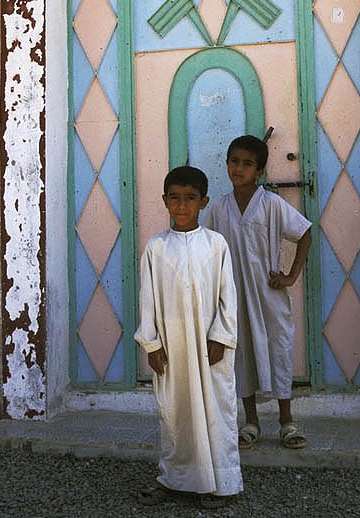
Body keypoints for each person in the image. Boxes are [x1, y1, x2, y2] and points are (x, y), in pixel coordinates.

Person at [134, 166, 243, 508]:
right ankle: (175, 479)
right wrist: (151, 344)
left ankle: (219, 483)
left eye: (190, 199)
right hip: (172, 348)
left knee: (215, 412)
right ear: (165, 201)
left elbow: (228, 296)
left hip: (209, 348)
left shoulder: (215, 245)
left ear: (204, 202)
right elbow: (147, 299)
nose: (182, 206)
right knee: (175, 414)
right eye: (175, 198)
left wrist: (221, 336)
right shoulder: (156, 248)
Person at [207, 135, 312, 450]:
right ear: (227, 164)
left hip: (268, 296)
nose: (239, 168)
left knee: (278, 351)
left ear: (260, 171)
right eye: (234, 161)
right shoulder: (218, 209)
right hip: (233, 298)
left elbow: (304, 233)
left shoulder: (271, 204)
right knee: (240, 354)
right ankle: (250, 422)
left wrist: (291, 276)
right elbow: (209, 251)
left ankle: (286, 421)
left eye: (247, 163)